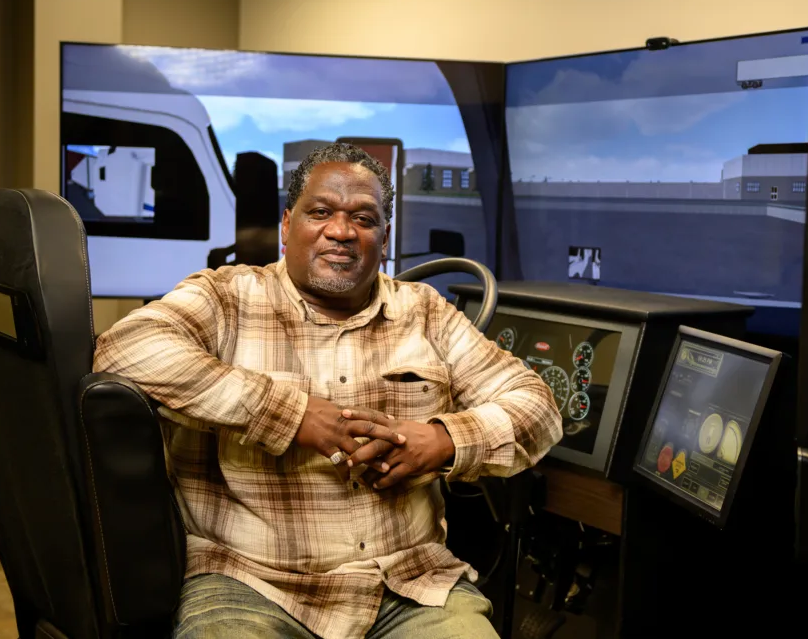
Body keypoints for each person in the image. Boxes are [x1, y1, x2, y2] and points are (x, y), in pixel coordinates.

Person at [93, 142, 563, 639]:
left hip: (407, 585)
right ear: (286, 225)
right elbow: (124, 351)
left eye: (363, 218)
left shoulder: (427, 313)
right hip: (250, 583)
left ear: (385, 237)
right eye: (321, 212)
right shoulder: (227, 297)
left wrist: (444, 441)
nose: (341, 232)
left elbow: (537, 406)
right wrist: (286, 414)